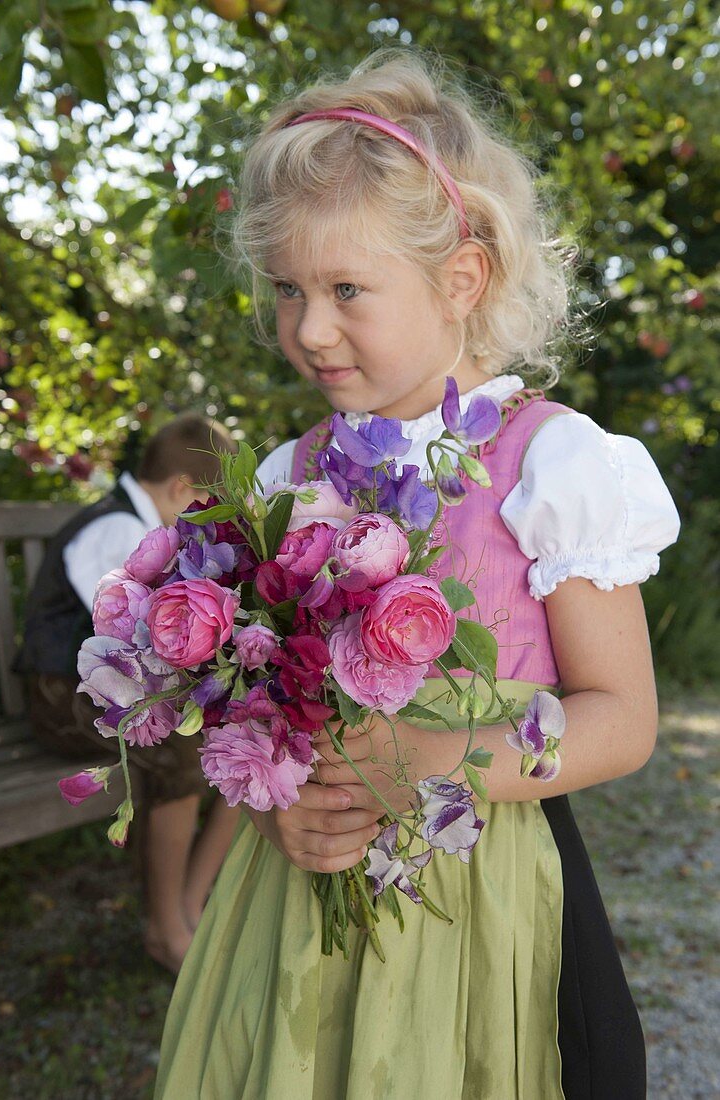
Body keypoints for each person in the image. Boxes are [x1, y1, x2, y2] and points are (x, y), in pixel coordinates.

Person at [153, 50, 681, 1098]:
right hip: (301, 905)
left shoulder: (551, 465)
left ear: (461, 277)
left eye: (347, 288)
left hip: (483, 896)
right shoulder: (286, 477)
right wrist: (273, 804)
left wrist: (434, 754)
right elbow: (254, 707)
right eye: (290, 289)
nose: (308, 327)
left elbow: (622, 717)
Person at [15, 413, 241, 974]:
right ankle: (169, 926)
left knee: (237, 743)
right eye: (209, 507)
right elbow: (116, 631)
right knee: (181, 753)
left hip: (101, 690)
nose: (209, 525)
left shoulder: (134, 520)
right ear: (183, 490)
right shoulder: (117, 530)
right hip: (59, 696)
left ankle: (188, 905)